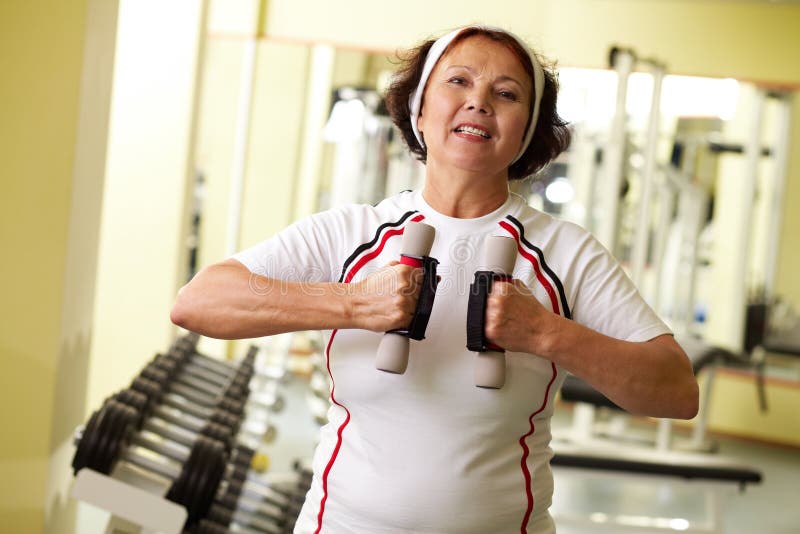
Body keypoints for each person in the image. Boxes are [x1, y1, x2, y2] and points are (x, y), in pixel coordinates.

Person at [171, 25, 699, 534]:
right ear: (420, 109)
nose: (479, 102)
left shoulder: (567, 252)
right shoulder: (351, 232)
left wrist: (546, 335)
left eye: (507, 93)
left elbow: (676, 391)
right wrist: (353, 304)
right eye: (458, 81)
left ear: (528, 131)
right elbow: (198, 302)